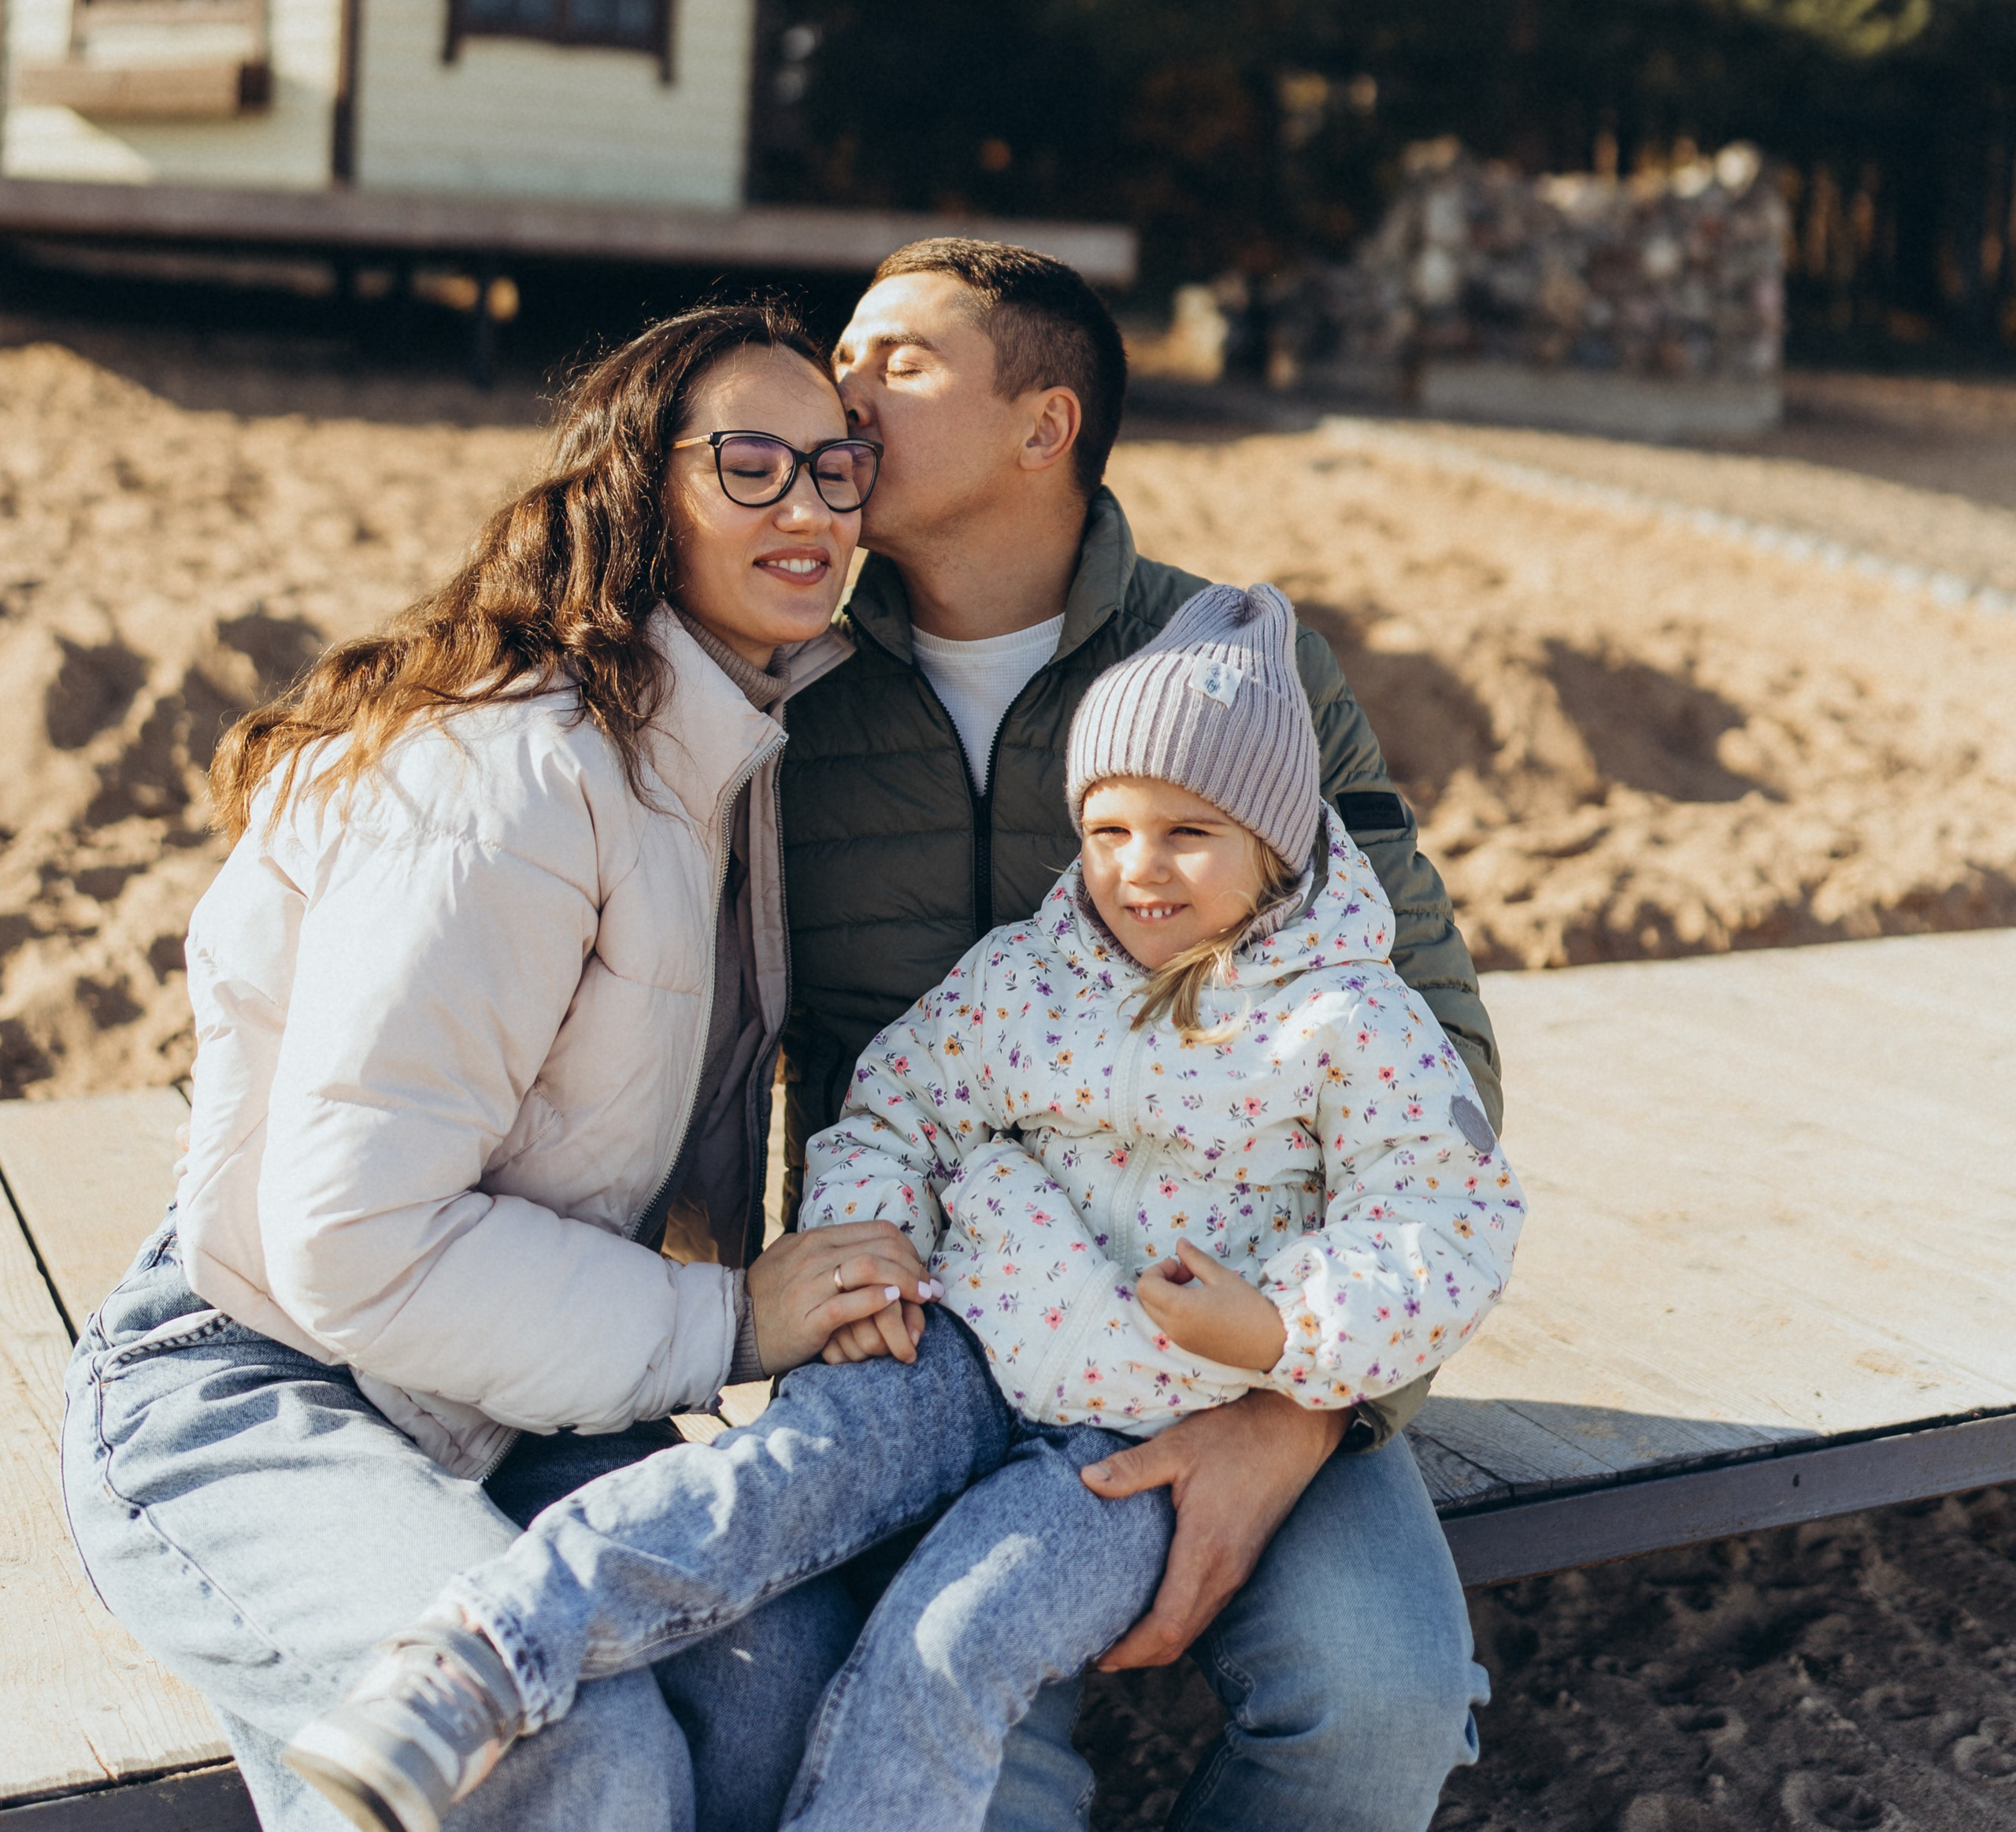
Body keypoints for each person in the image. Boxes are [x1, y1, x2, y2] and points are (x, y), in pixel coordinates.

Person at [282, 584, 1523, 1832]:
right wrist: (874, 1253)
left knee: (956, 1641)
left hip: (1147, 1434)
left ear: (1276, 843)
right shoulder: (1029, 977)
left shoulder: (1348, 1022)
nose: (1138, 870)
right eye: (1108, 828)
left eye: (1189, 833)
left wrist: (1283, 1336)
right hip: (961, 1338)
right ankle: (469, 1666)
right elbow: (895, 1108)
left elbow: (1445, 1218)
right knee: (771, 1483)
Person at [61, 303, 934, 1832]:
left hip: (509, 1391)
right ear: (635, 489)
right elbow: (350, 1239)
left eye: (835, 467)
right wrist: (728, 1319)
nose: (805, 507)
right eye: (748, 464)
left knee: (787, 1692)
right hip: (253, 1375)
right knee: (566, 1762)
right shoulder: (513, 769)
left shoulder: (724, 741)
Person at [780, 240, 1506, 1832]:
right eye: (840, 348)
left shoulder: (1233, 668)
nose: (840, 387)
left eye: (897, 360)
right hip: (939, 1324)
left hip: (1233, 1310)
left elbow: (1427, 1038)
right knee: (970, 1744)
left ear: (1044, 427)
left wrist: (1297, 1408)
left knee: (1377, 1707)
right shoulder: (782, 687)